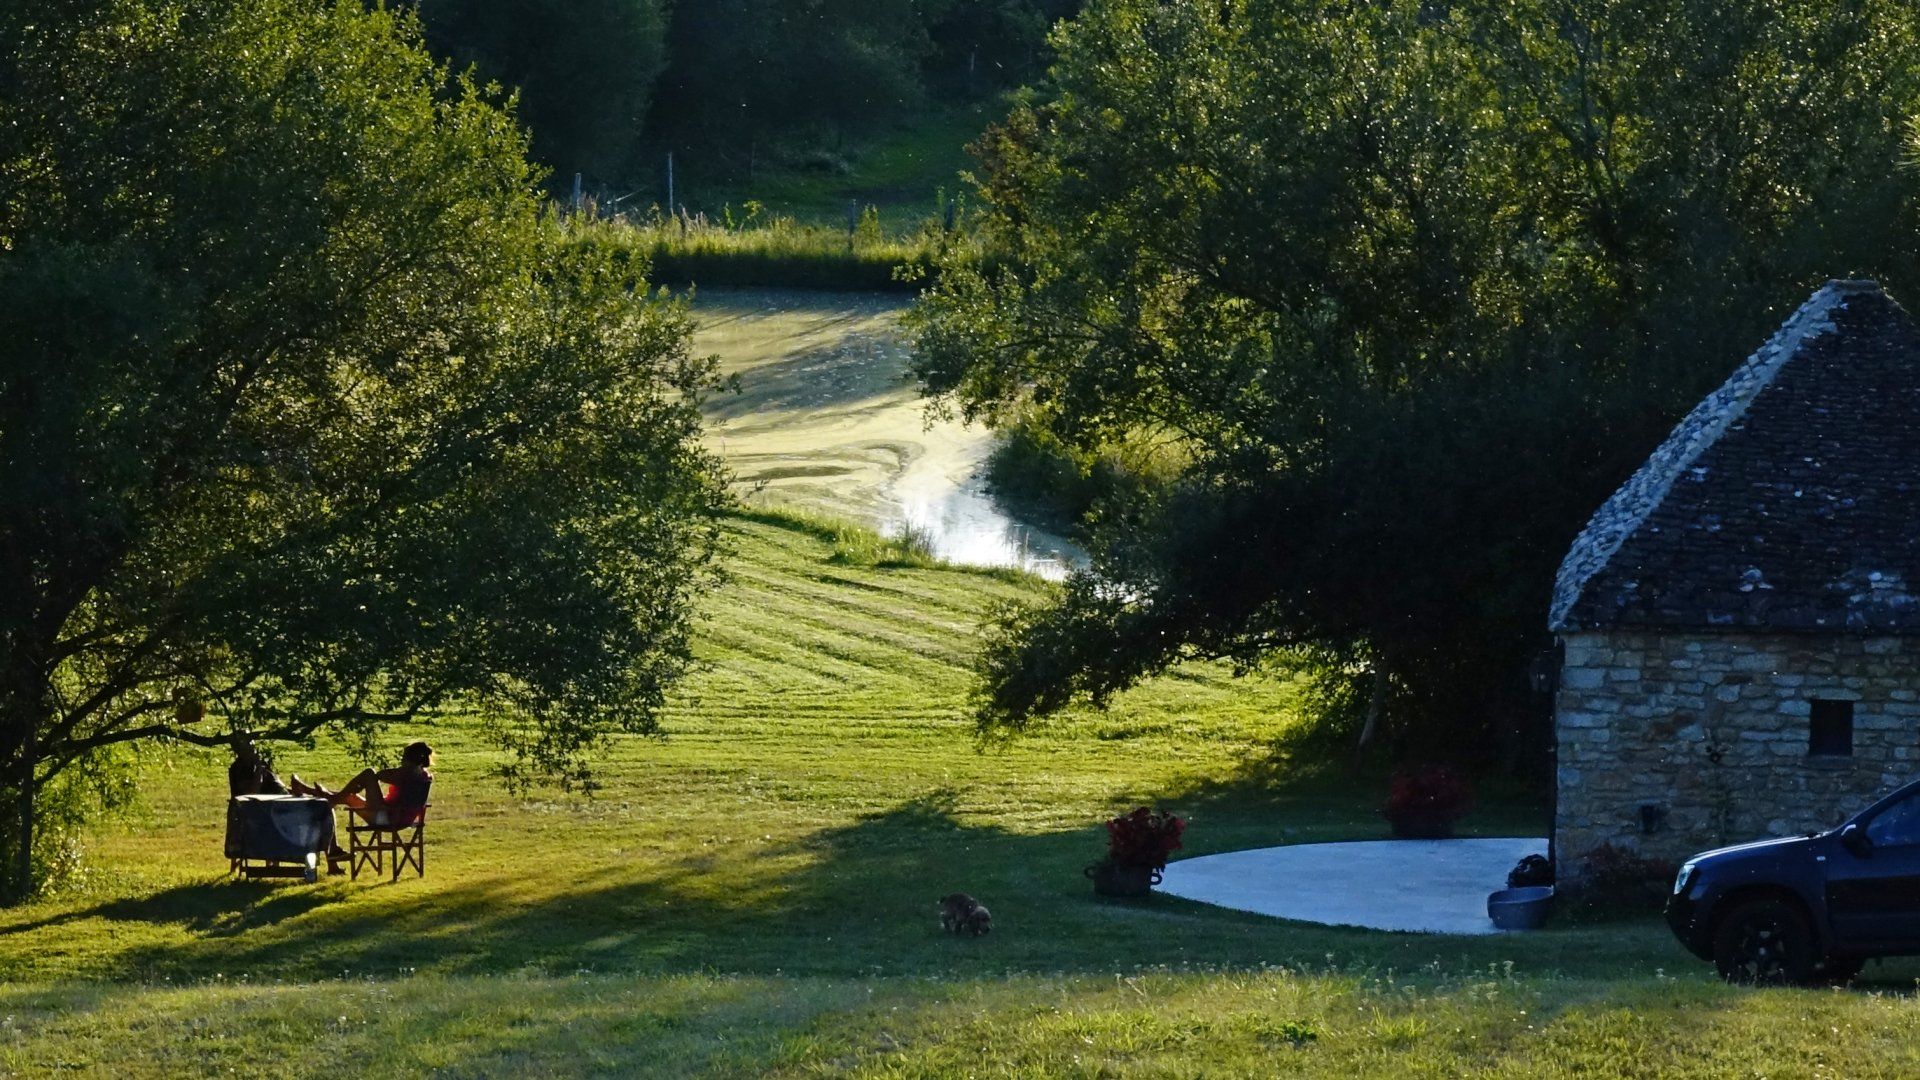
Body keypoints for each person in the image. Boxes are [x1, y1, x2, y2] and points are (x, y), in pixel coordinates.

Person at [289, 740, 434, 830]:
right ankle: (310, 791)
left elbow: (381, 775)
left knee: (369, 773)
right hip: (395, 818)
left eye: (403, 758)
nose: (401, 761)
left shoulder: (408, 774)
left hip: (386, 819)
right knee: (350, 796)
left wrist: (366, 783)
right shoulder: (424, 776)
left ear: (409, 759)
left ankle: (331, 797)